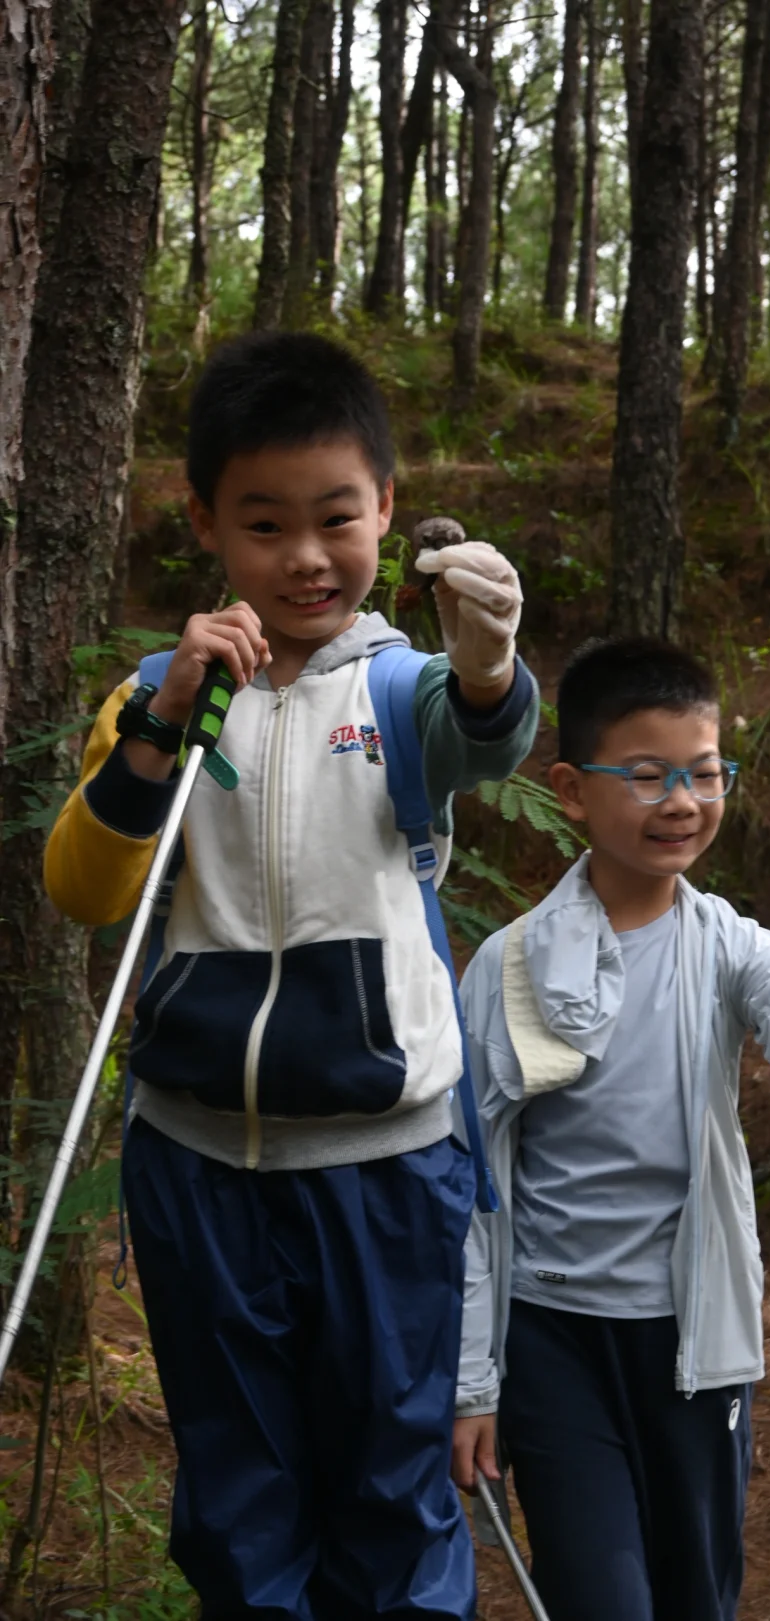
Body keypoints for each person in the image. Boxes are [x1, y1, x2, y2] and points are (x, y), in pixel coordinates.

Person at [45, 331, 539, 1620]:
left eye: (337, 517)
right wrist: (161, 726)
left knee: (389, 1487)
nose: (306, 555)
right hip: (197, 1163)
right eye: (265, 523)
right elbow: (84, 889)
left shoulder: (400, 684)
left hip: (385, 1166)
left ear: (386, 507)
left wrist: (487, 662)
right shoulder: (158, 691)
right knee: (238, 1497)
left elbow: (481, 737)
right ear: (208, 521)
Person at [451, 638, 770, 1621]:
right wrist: (471, 1382)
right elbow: (474, 1183)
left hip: (696, 1342)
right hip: (554, 1340)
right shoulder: (510, 964)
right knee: (598, 1594)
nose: (683, 801)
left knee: (696, 1593)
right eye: (648, 775)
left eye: (705, 774)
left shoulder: (733, 947)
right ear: (571, 790)